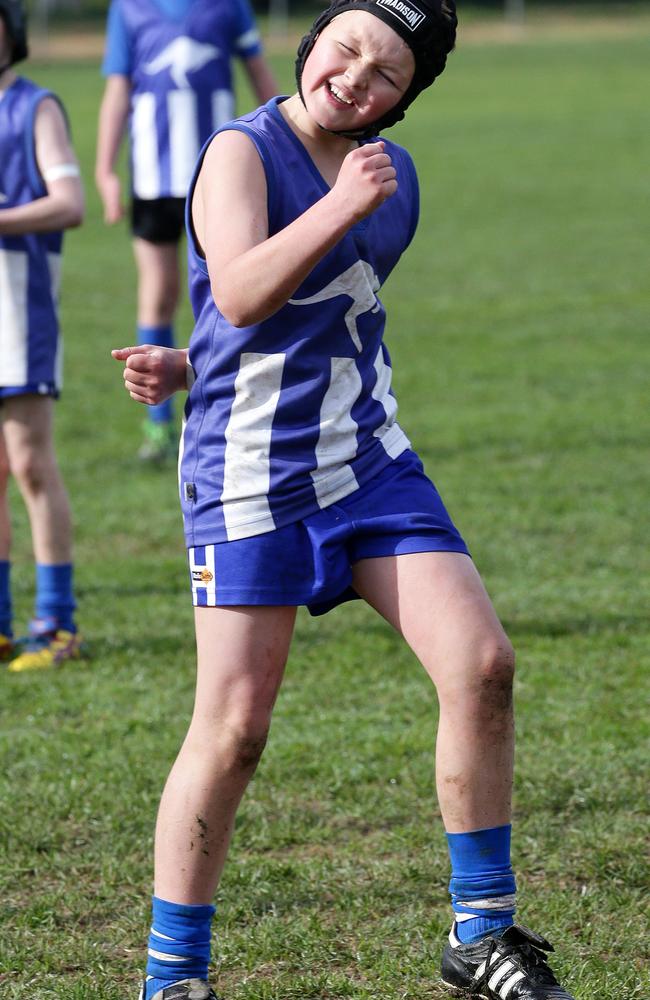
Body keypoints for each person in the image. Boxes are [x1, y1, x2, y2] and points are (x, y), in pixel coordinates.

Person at [112, 1, 577, 997]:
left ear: (402, 101)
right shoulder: (242, 154)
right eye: (346, 49)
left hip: (369, 460)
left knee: (482, 664)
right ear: (311, 44)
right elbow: (239, 290)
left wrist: (194, 361)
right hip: (249, 472)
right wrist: (331, 212)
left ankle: (479, 933)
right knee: (234, 729)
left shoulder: (389, 179)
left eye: (384, 74)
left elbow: (308, 320)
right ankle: (172, 976)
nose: (354, 77)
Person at [96, 0, 279, 463]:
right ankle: (158, 426)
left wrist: (284, 144)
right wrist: (105, 170)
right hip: (154, 178)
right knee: (159, 293)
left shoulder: (229, 6)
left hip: (223, 176)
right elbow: (119, 90)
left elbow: (258, 74)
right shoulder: (129, 8)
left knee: (230, 293)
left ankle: (226, 408)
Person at [0, 0, 84, 672]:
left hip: (19, 311)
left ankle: (57, 625)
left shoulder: (34, 105)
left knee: (30, 464)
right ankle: (0, 624)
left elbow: (69, 203)